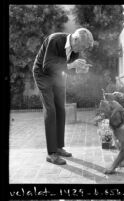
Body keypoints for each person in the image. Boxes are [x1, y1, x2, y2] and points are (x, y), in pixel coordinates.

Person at [32, 28, 94, 165]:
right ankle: (51, 153)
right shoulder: (55, 40)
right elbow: (47, 65)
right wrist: (71, 65)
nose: (81, 50)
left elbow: (68, 70)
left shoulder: (75, 50)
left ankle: (59, 147)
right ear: (76, 39)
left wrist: (79, 70)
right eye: (82, 46)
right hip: (42, 74)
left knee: (61, 109)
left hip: (57, 76)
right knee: (51, 110)